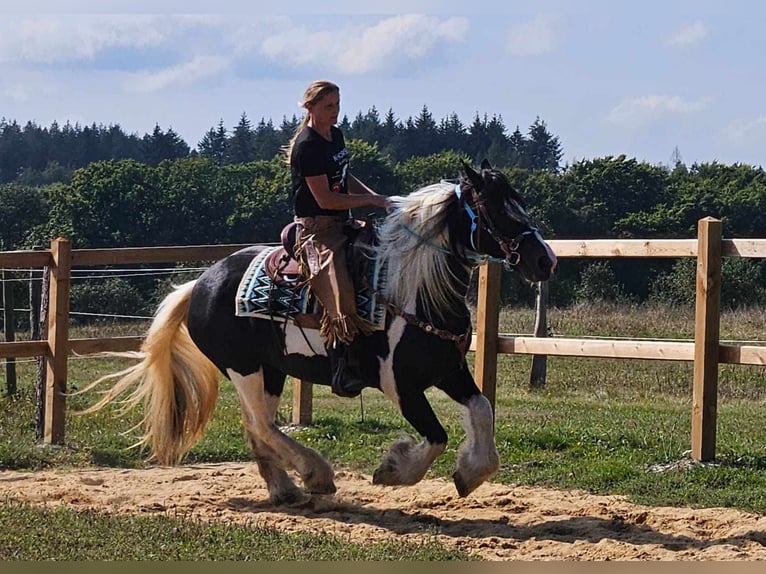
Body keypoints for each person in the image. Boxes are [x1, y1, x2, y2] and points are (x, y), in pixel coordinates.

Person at [285, 80, 391, 397]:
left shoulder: (336, 136)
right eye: (329, 106)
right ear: (310, 107)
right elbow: (326, 198)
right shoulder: (307, 146)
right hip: (317, 230)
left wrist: (378, 197)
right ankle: (342, 366)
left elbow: (344, 176)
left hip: (342, 224)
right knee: (339, 290)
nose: (335, 111)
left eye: (338, 104)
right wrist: (370, 202)